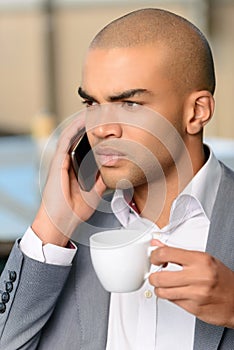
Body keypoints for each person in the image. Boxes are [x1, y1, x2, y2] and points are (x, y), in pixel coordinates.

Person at [0, 8, 233, 350]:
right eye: (91, 102)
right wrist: (50, 226)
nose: (101, 127)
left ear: (196, 111)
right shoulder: (66, 237)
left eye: (129, 103)